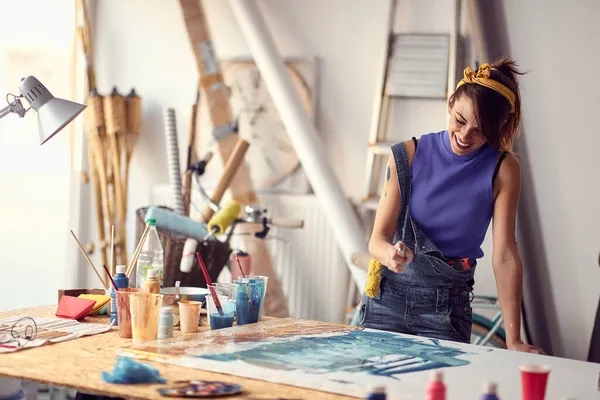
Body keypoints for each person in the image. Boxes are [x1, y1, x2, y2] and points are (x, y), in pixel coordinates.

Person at [360, 57, 544, 354]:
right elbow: (376, 241)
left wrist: (514, 340)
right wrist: (390, 255)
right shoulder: (406, 155)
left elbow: (505, 256)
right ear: (450, 103)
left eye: (480, 129)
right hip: (386, 302)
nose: (464, 135)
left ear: (499, 127)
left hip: (446, 311)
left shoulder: (503, 168)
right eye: (460, 120)